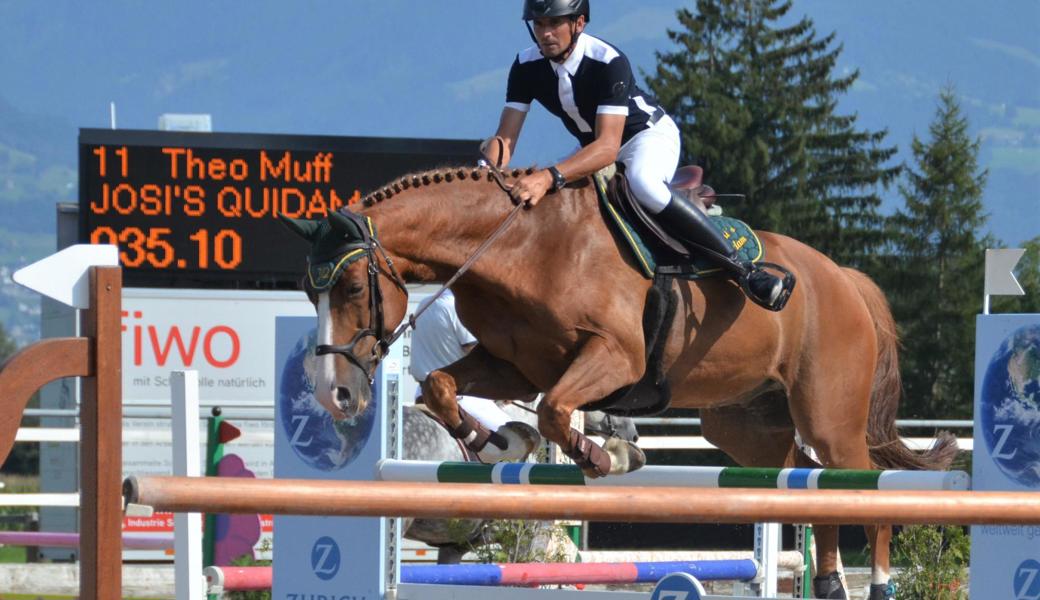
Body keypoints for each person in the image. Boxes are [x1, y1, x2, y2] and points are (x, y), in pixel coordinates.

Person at [482, 0, 791, 311]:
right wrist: (485, 168)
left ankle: (746, 271)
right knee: (554, 202)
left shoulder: (607, 61)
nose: (545, 33)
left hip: (646, 137)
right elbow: (506, 139)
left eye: (554, 23)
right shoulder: (525, 65)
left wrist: (549, 176)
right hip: (595, 145)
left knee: (643, 184)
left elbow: (608, 148)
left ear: (579, 23)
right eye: (539, 25)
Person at [409, 290, 517, 449]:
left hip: (422, 393)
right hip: (458, 397)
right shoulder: (459, 307)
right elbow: (475, 354)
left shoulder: (424, 303)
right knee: (514, 441)